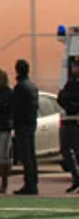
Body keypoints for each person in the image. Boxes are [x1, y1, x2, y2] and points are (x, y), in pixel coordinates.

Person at [11, 59, 40, 195]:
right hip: (31, 123)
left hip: (22, 124)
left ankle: (30, 184)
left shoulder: (20, 87)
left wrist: (14, 121)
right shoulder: (32, 86)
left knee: (26, 155)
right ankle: (33, 182)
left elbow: (16, 107)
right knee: (31, 155)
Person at [58, 57, 79, 193]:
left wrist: (71, 104)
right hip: (67, 119)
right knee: (66, 150)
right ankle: (76, 177)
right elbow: (61, 98)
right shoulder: (70, 83)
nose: (74, 69)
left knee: (77, 151)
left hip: (77, 120)